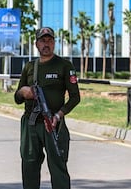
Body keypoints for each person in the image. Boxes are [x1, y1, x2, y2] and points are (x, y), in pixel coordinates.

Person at [14, 27, 81, 189]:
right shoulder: (30, 67)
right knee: (29, 167)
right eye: (43, 41)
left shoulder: (64, 65)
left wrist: (58, 116)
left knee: (58, 168)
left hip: (53, 125)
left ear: (54, 43)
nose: (47, 44)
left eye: (50, 40)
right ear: (36, 44)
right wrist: (24, 92)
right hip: (31, 125)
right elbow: (17, 98)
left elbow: (75, 97)